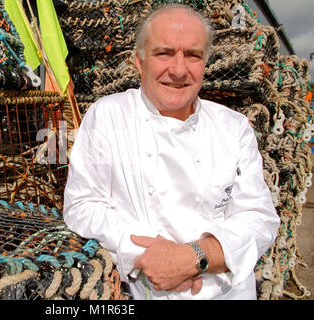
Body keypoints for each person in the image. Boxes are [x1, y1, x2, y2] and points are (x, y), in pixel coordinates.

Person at [63, 4, 280, 300]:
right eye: (164, 53)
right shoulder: (107, 116)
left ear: (205, 63)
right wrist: (150, 256)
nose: (178, 70)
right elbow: (83, 205)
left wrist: (193, 259)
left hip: (225, 291)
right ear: (139, 61)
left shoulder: (234, 127)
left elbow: (259, 218)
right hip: (146, 288)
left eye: (192, 55)